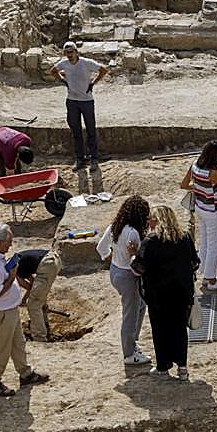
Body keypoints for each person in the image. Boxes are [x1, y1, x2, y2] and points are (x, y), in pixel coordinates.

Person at [0, 222, 49, 396]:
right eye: (8, 241)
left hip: (8, 311)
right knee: (1, 350)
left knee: (18, 343)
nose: (10, 244)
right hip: (1, 313)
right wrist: (11, 277)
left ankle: (26, 374)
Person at [133, 206, 197, 379]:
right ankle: (182, 368)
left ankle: (163, 367)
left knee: (160, 331)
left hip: (158, 295)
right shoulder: (185, 237)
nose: (149, 222)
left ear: (157, 221)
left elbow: (138, 269)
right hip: (182, 292)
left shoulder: (151, 241)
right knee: (179, 330)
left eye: (151, 219)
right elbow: (194, 263)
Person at [97, 195, 150, 366]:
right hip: (129, 277)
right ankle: (129, 353)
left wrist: (110, 257)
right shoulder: (133, 232)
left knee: (141, 305)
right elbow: (135, 258)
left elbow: (101, 247)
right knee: (130, 314)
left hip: (115, 271)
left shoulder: (115, 227)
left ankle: (132, 342)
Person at [181, 140, 217, 294]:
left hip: (200, 208)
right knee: (213, 246)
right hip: (212, 210)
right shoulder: (213, 173)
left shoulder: (195, 165)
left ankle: (204, 273)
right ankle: (211, 280)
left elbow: (184, 185)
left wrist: (199, 187)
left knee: (204, 242)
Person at [51, 41, 107, 172]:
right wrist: (63, 81)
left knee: (91, 130)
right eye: (67, 53)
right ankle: (79, 158)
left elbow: (103, 70)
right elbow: (53, 71)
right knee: (76, 132)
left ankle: (94, 159)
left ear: (76, 52)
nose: (69, 55)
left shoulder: (86, 63)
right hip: (72, 101)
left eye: (71, 52)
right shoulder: (63, 64)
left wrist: (93, 83)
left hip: (86, 101)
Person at [12, 247, 61, 342]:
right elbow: (33, 285)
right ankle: (44, 324)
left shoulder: (11, 269)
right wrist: (24, 299)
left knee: (33, 305)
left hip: (47, 265)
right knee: (39, 295)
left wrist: (23, 300)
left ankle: (40, 337)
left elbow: (26, 285)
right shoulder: (18, 262)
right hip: (53, 260)